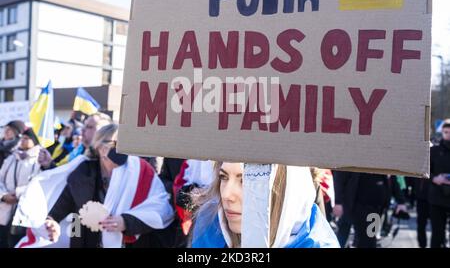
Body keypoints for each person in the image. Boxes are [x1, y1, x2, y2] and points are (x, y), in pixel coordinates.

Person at [14, 124, 175, 248]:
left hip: (129, 243)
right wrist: (51, 221)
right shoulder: (83, 171)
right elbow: (62, 203)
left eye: (124, 143)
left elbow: (160, 207)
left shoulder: (140, 171)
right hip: (85, 240)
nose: (120, 148)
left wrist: (126, 222)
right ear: (99, 146)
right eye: (115, 143)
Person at [190, 162, 339, 248]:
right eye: (223, 177)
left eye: (246, 181)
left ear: (285, 192)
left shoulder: (315, 243)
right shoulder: (210, 230)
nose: (227, 195)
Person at [333, 171, 407, 248]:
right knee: (366, 240)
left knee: (369, 238)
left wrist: (401, 201)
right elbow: (340, 178)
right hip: (359, 205)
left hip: (377, 207)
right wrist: (338, 202)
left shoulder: (384, 161)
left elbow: (391, 178)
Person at [0, 127, 41, 247]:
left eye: (27, 138)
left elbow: (36, 183)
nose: (23, 141)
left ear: (35, 141)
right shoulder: (12, 157)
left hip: (23, 212)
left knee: (17, 242)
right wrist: (3, 196)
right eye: (22, 138)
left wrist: (17, 194)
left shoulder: (39, 160)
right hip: (5, 208)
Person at [39, 112, 112, 170]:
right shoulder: (77, 152)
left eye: (89, 127)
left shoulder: (110, 159)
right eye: (84, 126)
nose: (83, 130)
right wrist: (48, 164)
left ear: (103, 131)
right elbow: (62, 173)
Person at [428, 121, 450, 248]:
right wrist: (435, 178)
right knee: (437, 233)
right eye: (446, 132)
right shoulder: (434, 151)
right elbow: (425, 172)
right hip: (437, 197)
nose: (448, 135)